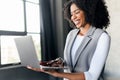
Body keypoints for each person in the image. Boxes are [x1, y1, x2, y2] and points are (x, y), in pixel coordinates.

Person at [27, 0, 111, 80]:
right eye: (71, 14)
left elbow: (92, 76)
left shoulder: (102, 37)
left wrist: (56, 74)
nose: (73, 17)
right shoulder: (71, 34)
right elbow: (69, 64)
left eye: (77, 12)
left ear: (89, 11)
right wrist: (47, 65)